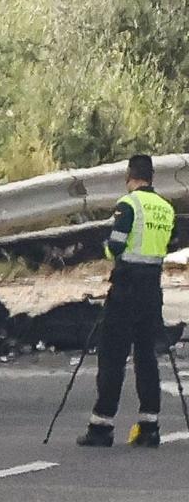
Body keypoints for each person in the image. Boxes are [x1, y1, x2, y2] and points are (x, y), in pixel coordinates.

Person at [78, 154, 175, 448]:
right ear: (152, 176)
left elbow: (117, 245)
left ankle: (102, 426)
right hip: (152, 290)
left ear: (129, 176)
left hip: (125, 290)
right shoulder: (165, 208)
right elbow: (167, 245)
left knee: (112, 356)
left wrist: (105, 247)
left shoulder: (128, 204)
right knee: (146, 356)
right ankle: (149, 426)